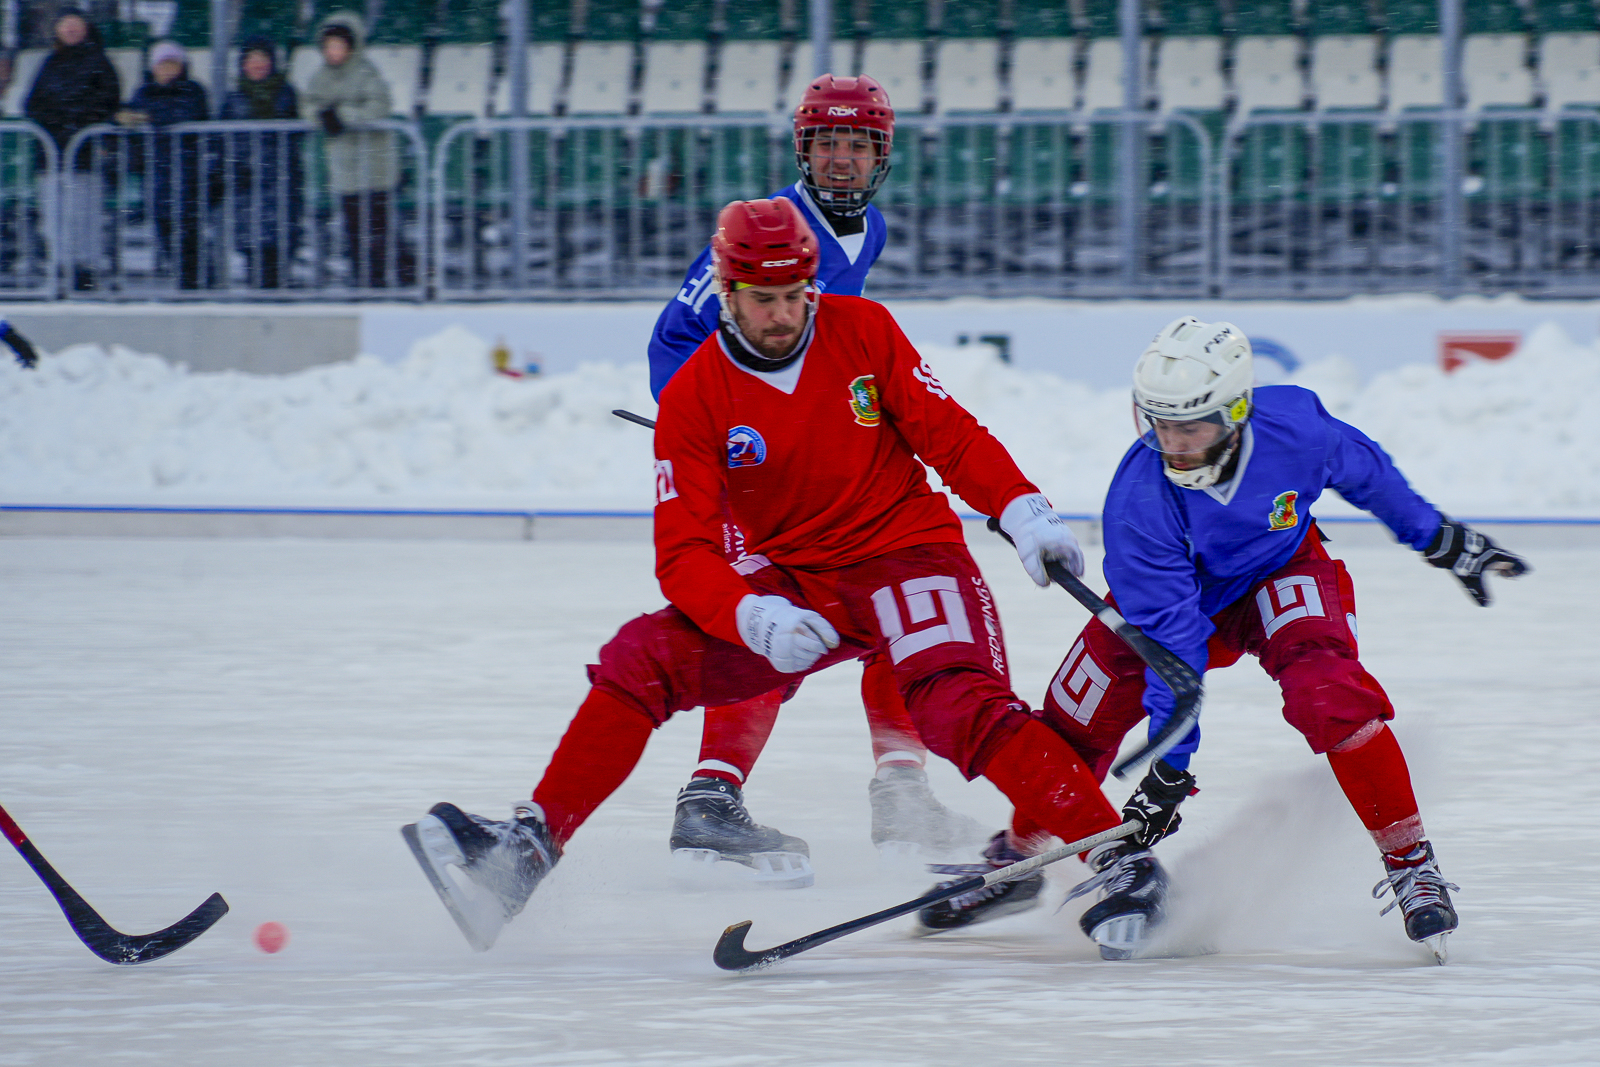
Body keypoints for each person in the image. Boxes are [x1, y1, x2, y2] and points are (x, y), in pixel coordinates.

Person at [404, 198, 1158, 958]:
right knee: (642, 657)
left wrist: (1022, 508)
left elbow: (951, 436)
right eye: (763, 299)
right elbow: (684, 554)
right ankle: (526, 851)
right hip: (798, 579)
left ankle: (1117, 859)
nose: (783, 315)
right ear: (726, 294)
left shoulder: (865, 330)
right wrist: (753, 616)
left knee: (957, 703)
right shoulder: (694, 396)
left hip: (910, 555)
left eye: (796, 294)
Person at [932, 316, 1529, 963]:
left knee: (1331, 693)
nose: (1173, 443)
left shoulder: (1297, 427)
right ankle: (1018, 857)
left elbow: (1368, 476)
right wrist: (1173, 765)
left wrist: (1440, 539)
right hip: (1175, 606)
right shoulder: (1139, 503)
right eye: (1160, 424)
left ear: (1237, 412)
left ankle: (1411, 863)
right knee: (1074, 725)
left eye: (1191, 425)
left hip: (1282, 571)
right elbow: (1174, 649)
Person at [649, 75, 984, 881]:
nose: (841, 159)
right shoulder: (769, 229)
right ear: (803, 149)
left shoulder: (868, 230)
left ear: (882, 156)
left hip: (815, 466)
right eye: (827, 142)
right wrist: (721, 433)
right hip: (751, 470)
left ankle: (901, 791)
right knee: (765, 621)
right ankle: (710, 799)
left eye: (857, 144)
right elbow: (672, 341)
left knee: (900, 596)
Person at [300, 11, 412, 288]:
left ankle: (392, 276)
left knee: (379, 229)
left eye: (339, 46)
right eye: (329, 47)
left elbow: (379, 106)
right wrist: (322, 116)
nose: (334, 52)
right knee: (354, 228)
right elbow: (308, 105)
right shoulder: (320, 78)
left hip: (374, 169)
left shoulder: (366, 73)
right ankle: (365, 279)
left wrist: (342, 115)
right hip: (345, 170)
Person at [23, 7, 120, 292]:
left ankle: (84, 268)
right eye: (65, 24)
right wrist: (58, 121)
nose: (70, 29)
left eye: (75, 24)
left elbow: (107, 102)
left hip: (84, 153)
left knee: (83, 214)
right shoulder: (50, 63)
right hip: (52, 154)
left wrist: (75, 120)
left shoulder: (99, 62)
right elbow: (33, 104)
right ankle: (59, 266)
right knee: (54, 215)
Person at [118, 41, 210, 290]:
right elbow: (129, 119)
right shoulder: (143, 92)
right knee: (165, 226)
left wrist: (150, 118)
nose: (167, 70)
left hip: (188, 172)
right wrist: (122, 118)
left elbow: (186, 115)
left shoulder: (193, 90)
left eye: (172, 64)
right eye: (162, 64)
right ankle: (183, 278)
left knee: (188, 229)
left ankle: (193, 280)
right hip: (156, 172)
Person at [219, 37, 303, 289]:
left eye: (262, 58)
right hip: (246, 182)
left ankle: (275, 291)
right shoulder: (233, 99)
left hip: (281, 180)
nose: (257, 64)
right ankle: (259, 292)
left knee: (280, 243)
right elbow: (221, 139)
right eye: (251, 59)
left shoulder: (285, 94)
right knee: (252, 245)